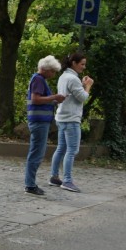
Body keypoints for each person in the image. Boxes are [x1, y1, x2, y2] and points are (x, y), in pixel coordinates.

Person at [49, 51, 93, 192]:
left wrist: (82, 84)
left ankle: (54, 176)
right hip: (71, 119)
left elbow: (73, 94)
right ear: (74, 63)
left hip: (61, 117)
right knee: (72, 150)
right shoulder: (73, 78)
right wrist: (88, 86)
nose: (84, 67)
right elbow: (82, 97)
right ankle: (67, 181)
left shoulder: (64, 76)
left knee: (61, 148)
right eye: (82, 64)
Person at [23, 56, 65, 195]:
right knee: (37, 153)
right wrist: (54, 97)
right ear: (46, 69)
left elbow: (40, 100)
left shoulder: (38, 79)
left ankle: (30, 183)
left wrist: (53, 100)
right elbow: (36, 99)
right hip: (39, 121)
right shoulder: (39, 79)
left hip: (39, 120)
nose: (53, 74)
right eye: (52, 71)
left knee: (36, 152)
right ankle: (30, 185)